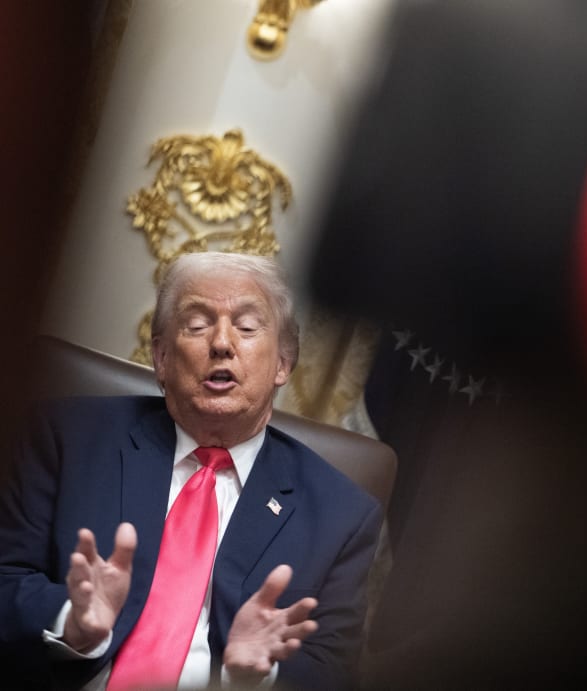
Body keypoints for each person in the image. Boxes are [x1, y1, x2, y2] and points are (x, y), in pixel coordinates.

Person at [0, 251, 383, 690]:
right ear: (161, 357)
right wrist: (72, 619)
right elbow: (7, 578)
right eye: (197, 325)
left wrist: (256, 674)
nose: (221, 343)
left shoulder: (343, 515)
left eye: (247, 327)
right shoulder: (66, 436)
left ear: (283, 362)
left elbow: (332, 671)